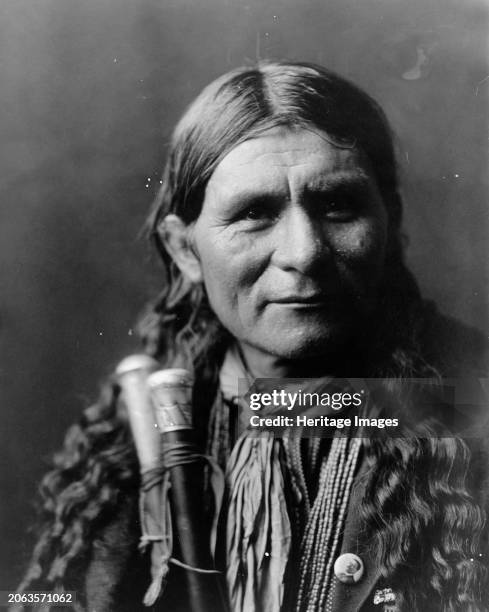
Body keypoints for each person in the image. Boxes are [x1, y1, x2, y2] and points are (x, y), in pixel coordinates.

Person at [15, 61, 489, 612]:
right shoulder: (128, 440)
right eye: (254, 213)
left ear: (390, 219)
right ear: (184, 250)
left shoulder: (473, 403)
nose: (304, 252)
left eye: (338, 205)